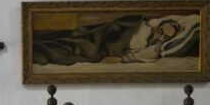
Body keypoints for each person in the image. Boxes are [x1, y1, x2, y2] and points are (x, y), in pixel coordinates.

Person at [32, 14, 200, 66]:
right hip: (105, 35)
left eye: (165, 38)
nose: (159, 38)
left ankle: (41, 50)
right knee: (77, 34)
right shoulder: (142, 27)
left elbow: (128, 57)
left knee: (76, 47)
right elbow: (115, 27)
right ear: (157, 27)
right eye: (161, 32)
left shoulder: (153, 51)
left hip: (103, 48)